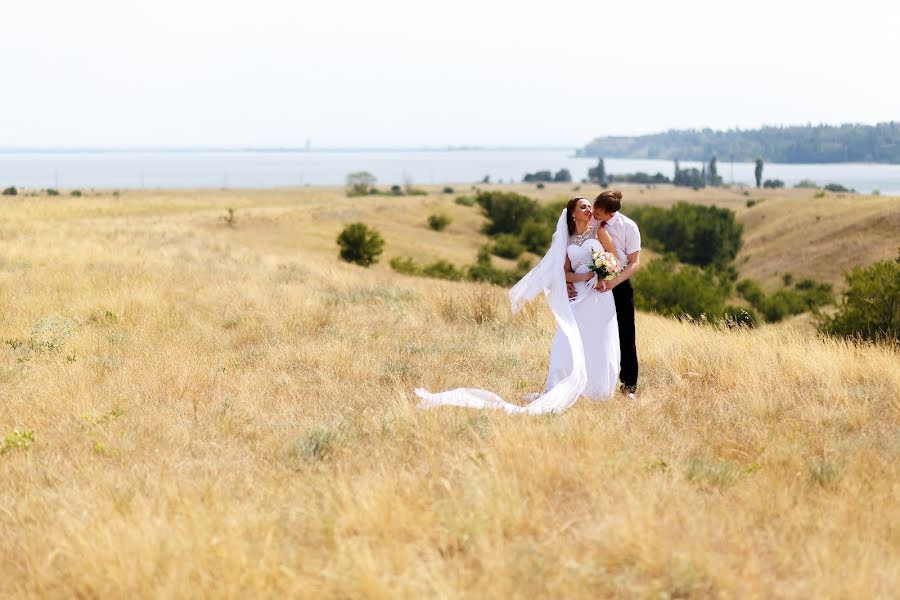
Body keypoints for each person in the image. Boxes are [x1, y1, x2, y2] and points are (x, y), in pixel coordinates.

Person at [414, 197, 620, 414]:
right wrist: (582, 278)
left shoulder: (599, 233)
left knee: (598, 338)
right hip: (576, 297)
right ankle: (559, 384)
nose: (588, 209)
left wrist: (600, 277)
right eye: (583, 207)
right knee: (565, 340)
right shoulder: (567, 240)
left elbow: (614, 260)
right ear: (572, 213)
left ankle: (598, 391)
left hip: (598, 296)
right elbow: (564, 274)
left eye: (589, 206)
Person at [585, 190, 642, 398]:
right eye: (594, 209)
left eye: (599, 214)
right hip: (590, 284)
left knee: (626, 334)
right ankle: (591, 381)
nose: (594, 215)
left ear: (610, 215)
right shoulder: (588, 219)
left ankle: (629, 386)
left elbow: (634, 262)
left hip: (619, 284)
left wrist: (614, 282)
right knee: (593, 332)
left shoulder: (629, 227)